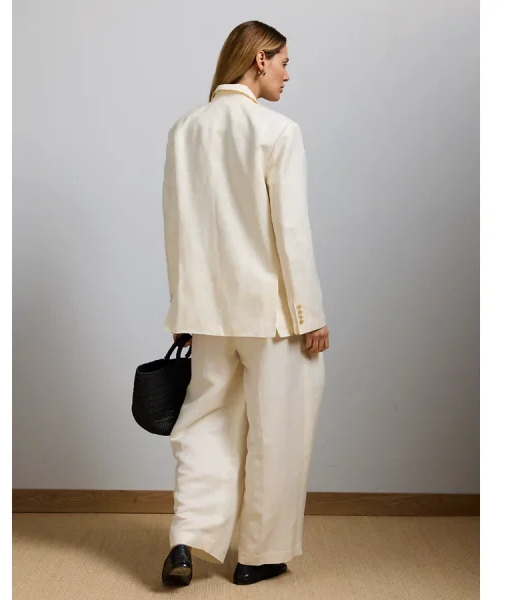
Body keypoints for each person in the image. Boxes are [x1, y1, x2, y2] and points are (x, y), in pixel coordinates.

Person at [160, 20, 330, 587]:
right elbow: (292, 232)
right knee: (278, 433)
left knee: (203, 425)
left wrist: (183, 309)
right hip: (272, 316)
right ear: (260, 59)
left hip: (207, 313)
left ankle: (186, 539)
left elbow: (176, 228)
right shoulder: (277, 131)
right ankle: (258, 554)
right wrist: (310, 315)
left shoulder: (185, 130)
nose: (287, 74)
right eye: (283, 61)